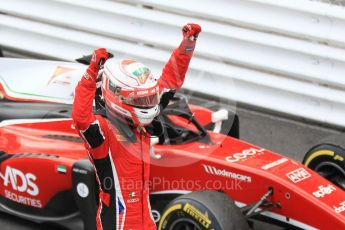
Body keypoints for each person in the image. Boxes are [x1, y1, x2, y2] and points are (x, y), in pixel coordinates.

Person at [72, 23, 201, 230]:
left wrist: (188, 44)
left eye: (149, 98)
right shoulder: (102, 131)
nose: (149, 104)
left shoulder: (142, 115)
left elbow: (171, 79)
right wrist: (91, 72)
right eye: (141, 100)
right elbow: (80, 118)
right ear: (118, 97)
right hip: (117, 223)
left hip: (146, 218)